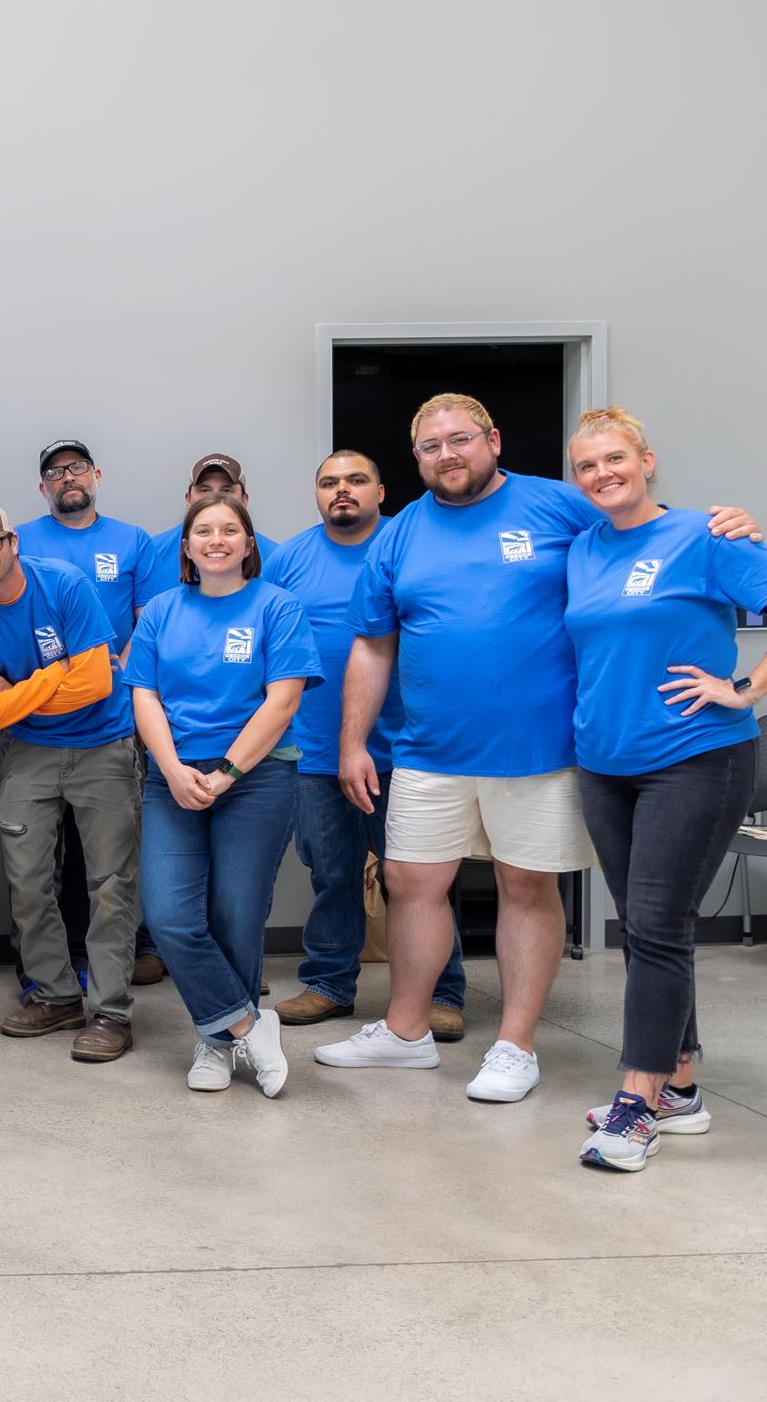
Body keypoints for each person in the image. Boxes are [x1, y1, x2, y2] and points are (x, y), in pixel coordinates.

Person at [319, 393, 756, 1103]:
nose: (447, 454)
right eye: (430, 446)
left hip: (542, 747)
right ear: (416, 458)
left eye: (460, 439)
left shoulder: (560, 505)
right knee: (409, 883)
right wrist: (354, 741)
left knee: (528, 886)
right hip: (429, 749)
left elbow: (647, 531)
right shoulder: (397, 536)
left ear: (493, 438)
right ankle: (404, 1033)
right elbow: (372, 643)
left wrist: (728, 525)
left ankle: (515, 1046)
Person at [562, 409, 767, 1170]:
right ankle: (680, 1084)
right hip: (605, 763)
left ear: (646, 461)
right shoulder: (582, 549)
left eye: (614, 458)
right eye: (586, 465)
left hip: (695, 758)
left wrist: (743, 686)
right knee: (653, 923)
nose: (601, 473)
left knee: (652, 923)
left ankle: (636, 1101)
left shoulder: (706, 534)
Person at [262, 453, 470, 1039]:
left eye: (355, 481)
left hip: (406, 749)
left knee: (417, 879)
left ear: (381, 489)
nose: (342, 491)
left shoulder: (412, 544)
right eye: (329, 482)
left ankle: (441, 993)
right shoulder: (290, 558)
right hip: (315, 750)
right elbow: (266, 641)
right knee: (332, 873)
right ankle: (329, 983)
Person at [126, 496, 319, 1097]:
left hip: (257, 778)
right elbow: (144, 696)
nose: (216, 539)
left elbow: (282, 700)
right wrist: (173, 768)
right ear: (185, 546)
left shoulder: (277, 607)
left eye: (229, 530)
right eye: (202, 531)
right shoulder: (160, 610)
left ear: (248, 543)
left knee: (236, 912)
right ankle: (245, 1026)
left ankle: (212, 1045)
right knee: (167, 914)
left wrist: (228, 773)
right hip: (172, 777)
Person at [0, 501, 141, 1061]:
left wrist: (18, 692)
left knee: (110, 885)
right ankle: (56, 996)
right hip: (30, 754)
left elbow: (99, 682)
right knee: (28, 884)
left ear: (12, 541)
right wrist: (57, 675)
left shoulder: (64, 584)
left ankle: (110, 1012)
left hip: (104, 744)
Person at [22, 439, 162, 989]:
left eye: (76, 468)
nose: (67, 478)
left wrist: (118, 682)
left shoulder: (132, 541)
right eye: (55, 472)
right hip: (38, 723)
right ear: (42, 488)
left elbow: (147, 620)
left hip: (113, 723)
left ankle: (99, 969)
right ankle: (45, 975)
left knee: (103, 858)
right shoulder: (23, 541)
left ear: (96, 475)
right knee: (38, 863)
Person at [133, 454, 279, 598]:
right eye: (204, 490)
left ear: (244, 500)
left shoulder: (276, 556)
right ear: (188, 499)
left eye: (226, 491)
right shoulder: (153, 551)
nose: (214, 498)